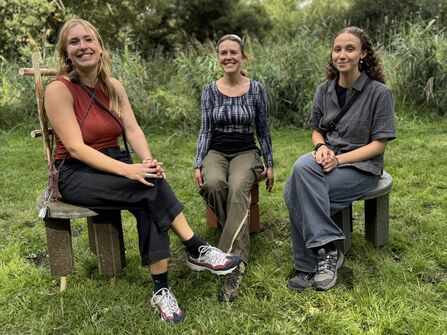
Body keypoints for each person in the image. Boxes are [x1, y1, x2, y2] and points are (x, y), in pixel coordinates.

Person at [45, 19, 240, 323]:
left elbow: (132, 129)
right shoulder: (58, 89)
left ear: (100, 46)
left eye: (88, 40)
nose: (83, 46)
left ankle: (162, 291)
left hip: (114, 160)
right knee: (145, 187)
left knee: (150, 187)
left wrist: (146, 162)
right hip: (75, 173)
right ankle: (195, 249)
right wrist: (129, 170)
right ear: (66, 52)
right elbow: (75, 148)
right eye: (74, 42)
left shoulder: (113, 86)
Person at [284, 27, 396, 292]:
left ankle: (309, 263)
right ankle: (328, 250)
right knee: (302, 167)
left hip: (361, 167)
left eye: (350, 49)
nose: (342, 54)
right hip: (326, 159)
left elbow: (379, 145)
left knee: (295, 191)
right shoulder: (323, 90)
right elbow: (316, 129)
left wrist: (340, 159)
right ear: (332, 54)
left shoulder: (379, 93)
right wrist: (321, 146)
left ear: (363, 54)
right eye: (337, 49)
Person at [194, 34, 274, 302]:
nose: (228, 57)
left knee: (239, 186)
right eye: (223, 53)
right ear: (218, 58)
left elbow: (262, 129)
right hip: (216, 150)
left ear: (243, 57)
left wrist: (270, 163)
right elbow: (205, 130)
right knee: (215, 184)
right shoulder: (209, 90)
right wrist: (198, 163)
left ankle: (233, 263)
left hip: (245, 150)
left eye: (233, 52)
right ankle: (233, 233)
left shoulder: (256, 89)